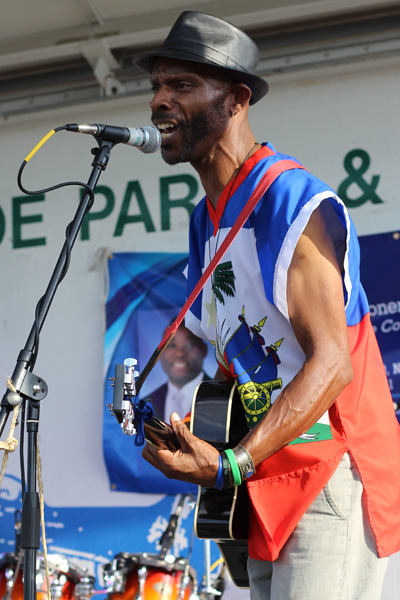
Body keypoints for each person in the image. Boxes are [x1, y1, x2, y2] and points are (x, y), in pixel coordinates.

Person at [133, 10, 400, 599]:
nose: (157, 101)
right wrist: (200, 441)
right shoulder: (205, 221)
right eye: (156, 86)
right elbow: (237, 363)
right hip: (263, 482)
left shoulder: (287, 197)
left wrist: (230, 464)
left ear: (235, 98)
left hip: (328, 471)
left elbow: (332, 363)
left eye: (180, 85)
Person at [149, 321, 210, 420]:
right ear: (160, 353)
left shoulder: (224, 397)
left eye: (190, 344)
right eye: (172, 345)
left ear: (204, 350)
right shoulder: (147, 404)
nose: (180, 354)